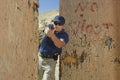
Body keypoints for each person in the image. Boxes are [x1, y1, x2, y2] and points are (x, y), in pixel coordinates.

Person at [38, 15, 69, 80]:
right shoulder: (50, 27)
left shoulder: (64, 35)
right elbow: (46, 30)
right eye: (55, 23)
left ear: (62, 25)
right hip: (40, 59)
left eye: (59, 24)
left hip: (50, 61)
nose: (57, 25)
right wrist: (48, 31)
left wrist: (52, 36)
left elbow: (60, 44)